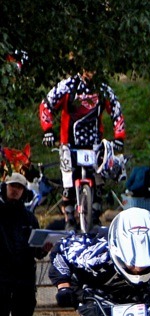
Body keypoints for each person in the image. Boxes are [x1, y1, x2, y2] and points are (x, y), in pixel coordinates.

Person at [39, 65, 126, 230]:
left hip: (94, 143)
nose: (91, 71)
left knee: (99, 177)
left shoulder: (102, 88)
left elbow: (116, 110)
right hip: (69, 143)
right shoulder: (67, 86)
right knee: (68, 181)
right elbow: (46, 105)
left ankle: (95, 214)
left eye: (94, 67)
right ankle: (69, 218)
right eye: (87, 66)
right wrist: (48, 130)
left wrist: (119, 137)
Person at [0, 173, 47, 316]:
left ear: (23, 191)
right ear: (5, 187)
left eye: (19, 187)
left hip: (24, 278)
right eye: (12, 186)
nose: (15, 190)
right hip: (1, 278)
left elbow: (37, 251)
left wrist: (44, 248)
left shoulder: (29, 218)